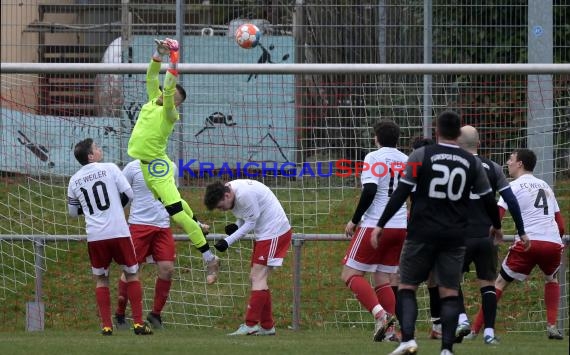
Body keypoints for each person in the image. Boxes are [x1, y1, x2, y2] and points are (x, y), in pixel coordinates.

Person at [372, 111, 503, 355]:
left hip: (421, 232)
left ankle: (408, 340)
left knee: (406, 286)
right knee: (449, 292)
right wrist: (496, 224)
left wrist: (380, 224)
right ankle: (446, 350)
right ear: (458, 134)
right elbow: (488, 199)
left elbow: (401, 192)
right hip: (454, 235)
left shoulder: (421, 155)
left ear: (438, 132)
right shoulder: (471, 162)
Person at [127, 38, 219, 283]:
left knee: (176, 215)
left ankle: (210, 258)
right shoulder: (150, 100)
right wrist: (159, 53)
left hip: (157, 167)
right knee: (172, 203)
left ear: (175, 102)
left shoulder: (169, 113)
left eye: (172, 95)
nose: (165, 93)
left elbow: (168, 87)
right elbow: (150, 76)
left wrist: (174, 57)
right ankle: (198, 222)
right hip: (148, 166)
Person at [469, 148, 566, 341]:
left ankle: (475, 330)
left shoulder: (512, 186)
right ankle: (552, 326)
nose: (508, 163)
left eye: (511, 159)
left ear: (520, 163)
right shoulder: (545, 186)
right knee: (551, 279)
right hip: (553, 242)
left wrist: (487, 237)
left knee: (498, 283)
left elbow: (497, 217)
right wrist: (554, 240)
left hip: (528, 242)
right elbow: (560, 224)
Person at [450, 125, 529, 344]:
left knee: (449, 278)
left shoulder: (453, 167)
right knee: (487, 284)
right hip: (486, 235)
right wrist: (521, 231)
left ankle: (462, 319)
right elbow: (510, 200)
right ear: (479, 143)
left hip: (459, 235)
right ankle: (489, 334)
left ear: (457, 143)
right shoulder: (493, 167)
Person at [67, 138, 153, 336]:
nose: (99, 149)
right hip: (119, 231)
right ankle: (139, 324)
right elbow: (130, 194)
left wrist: (91, 210)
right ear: (90, 156)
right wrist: (116, 205)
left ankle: (106, 326)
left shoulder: (74, 180)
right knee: (132, 274)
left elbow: (72, 212)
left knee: (101, 279)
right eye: (96, 148)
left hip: (96, 235)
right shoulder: (111, 168)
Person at [113, 161, 210, 330]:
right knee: (131, 271)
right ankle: (120, 315)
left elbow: (175, 200)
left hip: (163, 227)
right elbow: (122, 197)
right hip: (138, 226)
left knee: (167, 269)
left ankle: (155, 314)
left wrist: (197, 223)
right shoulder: (133, 167)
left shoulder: (170, 166)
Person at [342, 120, 406, 342]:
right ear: (397, 139)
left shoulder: (373, 157)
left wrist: (354, 220)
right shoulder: (406, 160)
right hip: (400, 226)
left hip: (375, 225)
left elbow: (370, 190)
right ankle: (390, 332)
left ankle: (381, 315)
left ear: (376, 138)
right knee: (382, 278)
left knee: (350, 274)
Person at [204, 179, 292, 336]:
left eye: (221, 206)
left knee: (258, 277)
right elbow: (247, 216)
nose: (222, 210)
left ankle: (250, 325)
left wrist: (227, 241)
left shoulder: (244, 194)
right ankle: (267, 326)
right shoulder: (232, 192)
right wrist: (237, 225)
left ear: (226, 195)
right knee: (256, 278)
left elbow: (251, 223)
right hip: (265, 234)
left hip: (274, 233)